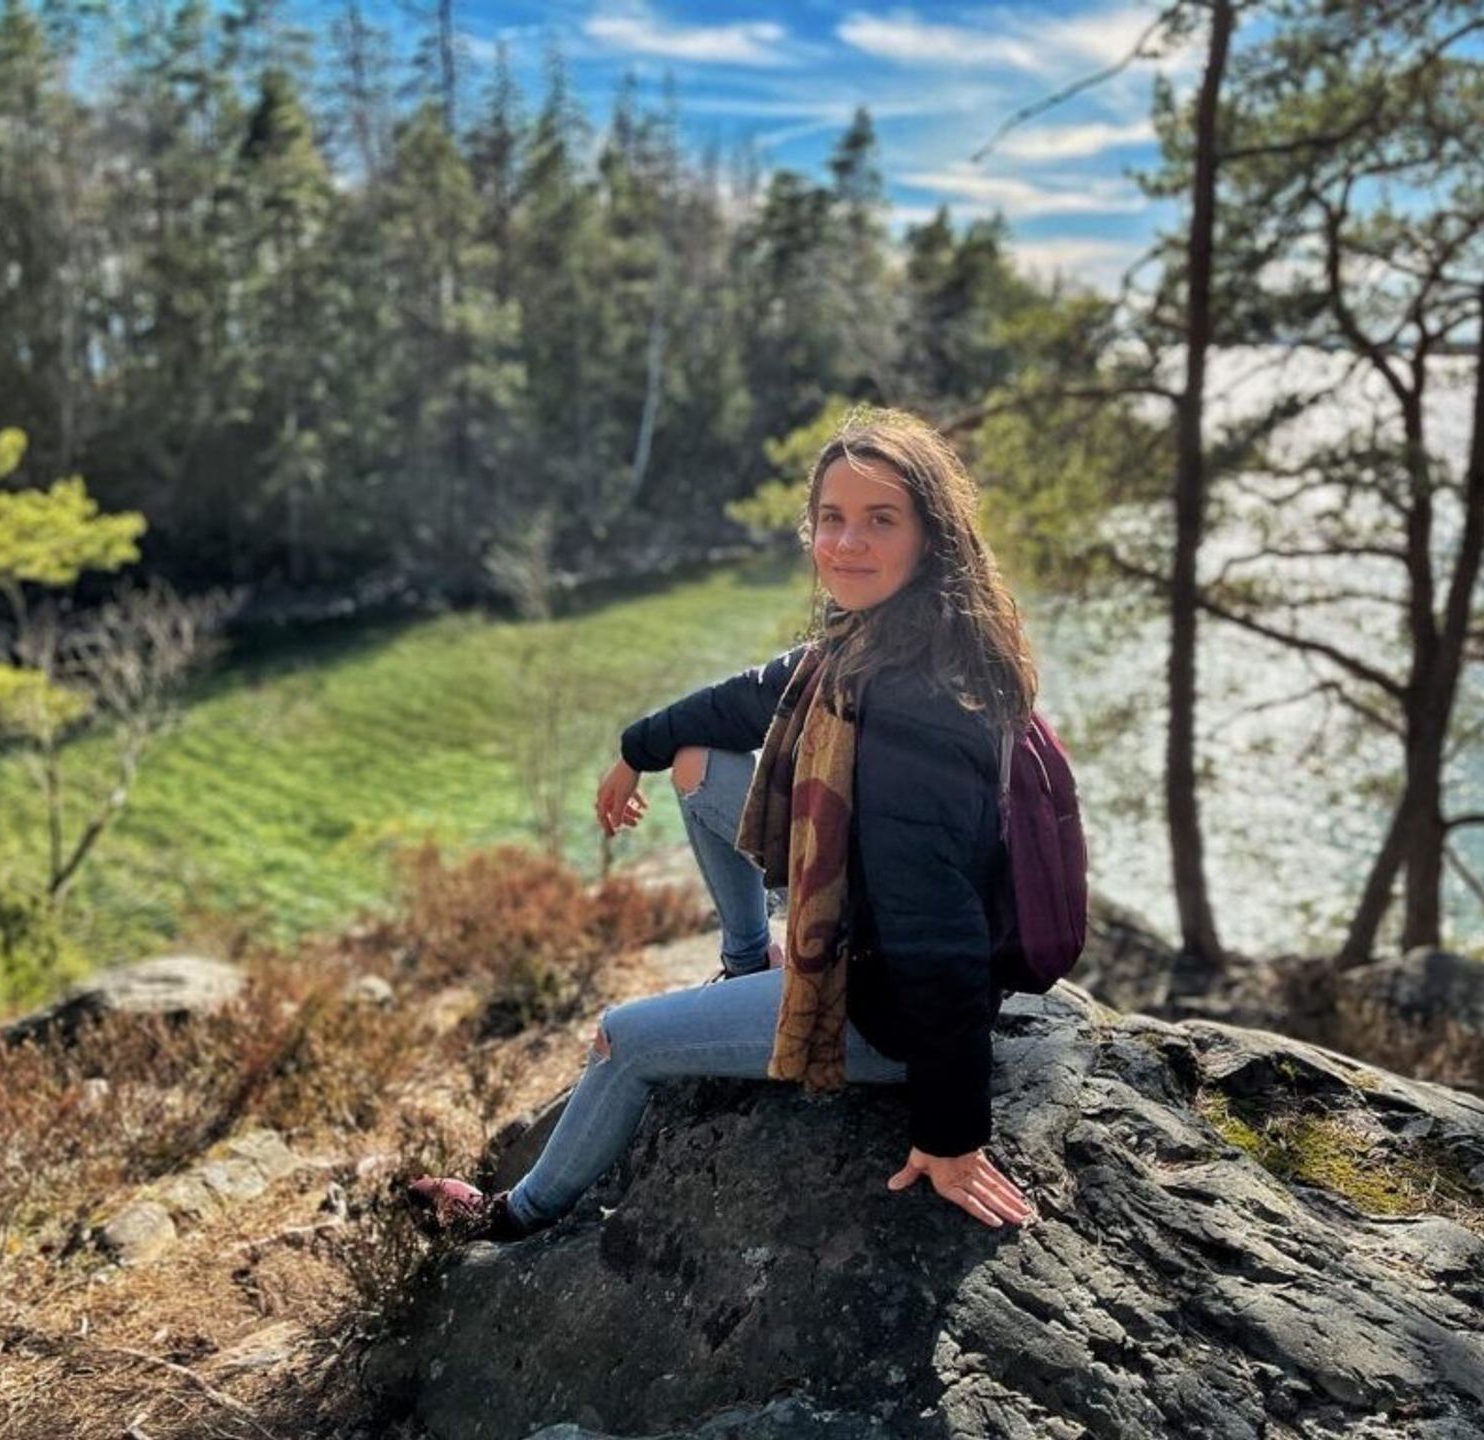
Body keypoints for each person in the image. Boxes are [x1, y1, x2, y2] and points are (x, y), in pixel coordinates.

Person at [407, 407, 1040, 1239]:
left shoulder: (910, 713)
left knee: (623, 1039)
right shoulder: (879, 642)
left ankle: (513, 1217)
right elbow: (746, 698)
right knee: (699, 757)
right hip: (865, 949)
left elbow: (943, 935)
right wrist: (636, 750)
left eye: (880, 520)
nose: (846, 543)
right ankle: (748, 963)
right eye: (831, 519)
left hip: (881, 1012)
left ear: (931, 535)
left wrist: (952, 1133)